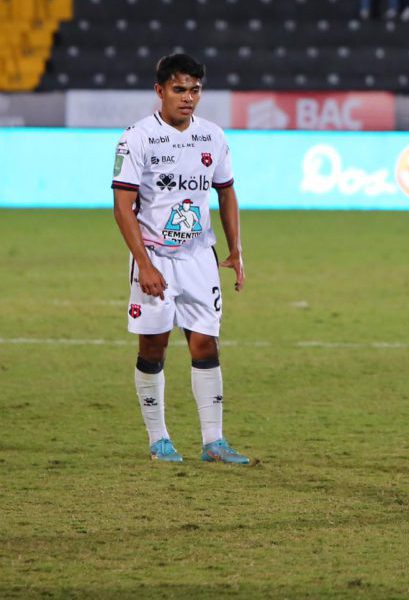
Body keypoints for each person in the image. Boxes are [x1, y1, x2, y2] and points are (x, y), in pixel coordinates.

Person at [112, 53, 251, 464]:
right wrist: (146, 265)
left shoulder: (212, 136)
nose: (188, 98)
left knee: (206, 344)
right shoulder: (136, 138)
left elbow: (225, 191)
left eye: (195, 90)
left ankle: (214, 442)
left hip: (198, 257)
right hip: (154, 255)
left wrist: (236, 249)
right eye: (179, 89)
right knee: (153, 347)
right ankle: (159, 440)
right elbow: (123, 207)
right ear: (160, 91)